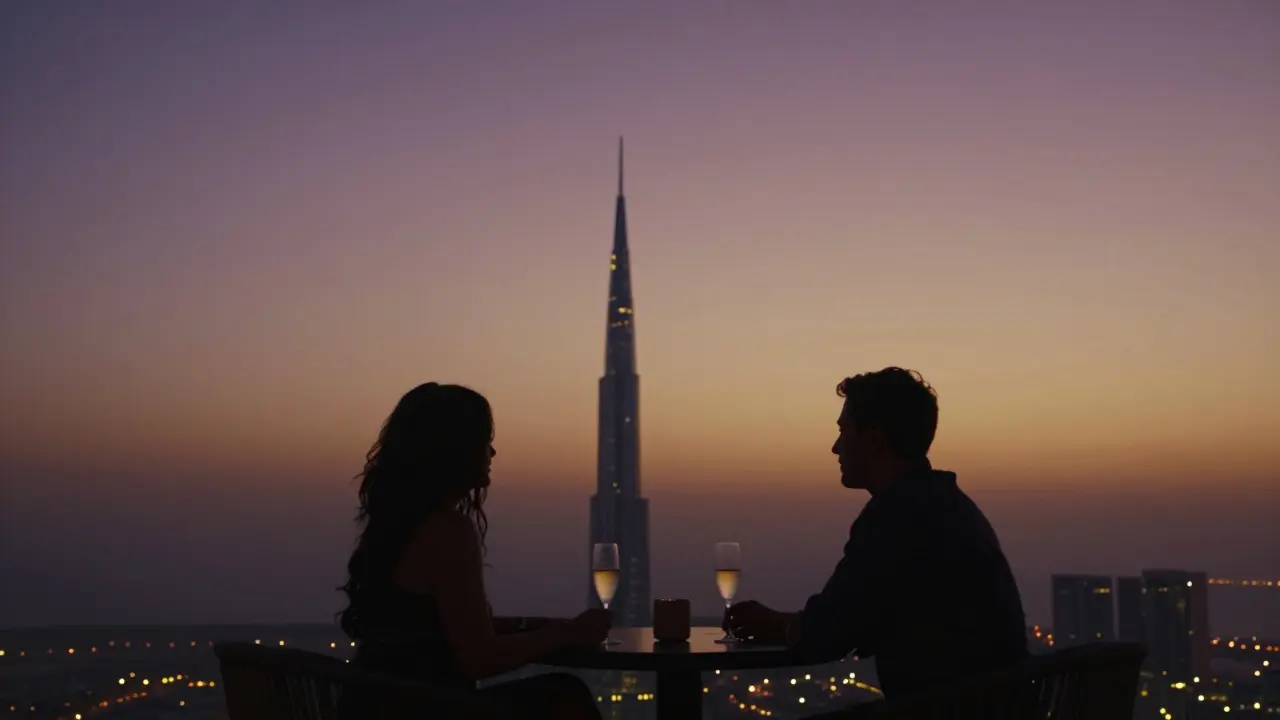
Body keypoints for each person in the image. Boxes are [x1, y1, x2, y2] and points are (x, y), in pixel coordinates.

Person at [725, 368, 1028, 713]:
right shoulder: (944, 504)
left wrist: (774, 624)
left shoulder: (899, 516)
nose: (835, 446)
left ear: (873, 438)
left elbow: (829, 632)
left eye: (843, 430)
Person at [338, 383, 609, 719]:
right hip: (426, 708)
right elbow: (479, 657)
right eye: (485, 441)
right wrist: (568, 633)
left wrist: (532, 626)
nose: (492, 453)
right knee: (566, 697)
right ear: (454, 450)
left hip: (378, 705)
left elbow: (440, 626)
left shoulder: (395, 526)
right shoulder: (448, 532)